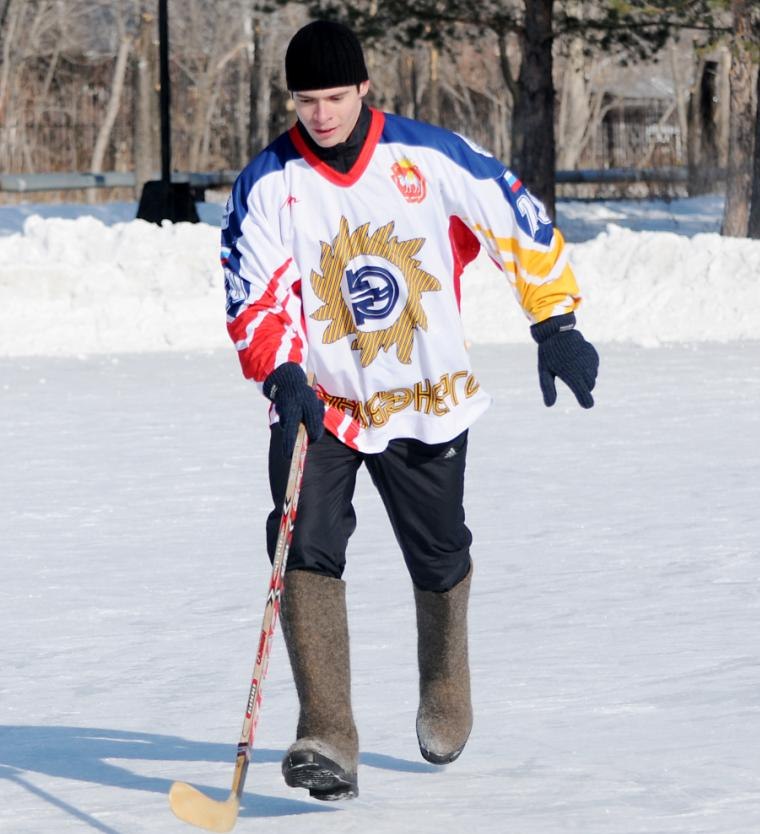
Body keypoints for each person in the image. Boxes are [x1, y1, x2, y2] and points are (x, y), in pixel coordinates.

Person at [221, 19, 599, 801]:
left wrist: (555, 321)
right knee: (303, 544)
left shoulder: (428, 156)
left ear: (364, 88)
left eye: (334, 95)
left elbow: (515, 220)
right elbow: (250, 291)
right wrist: (280, 370)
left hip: (424, 396)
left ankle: (446, 685)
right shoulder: (268, 180)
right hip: (318, 399)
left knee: (436, 551)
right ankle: (327, 732)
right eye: (305, 99)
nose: (321, 113)